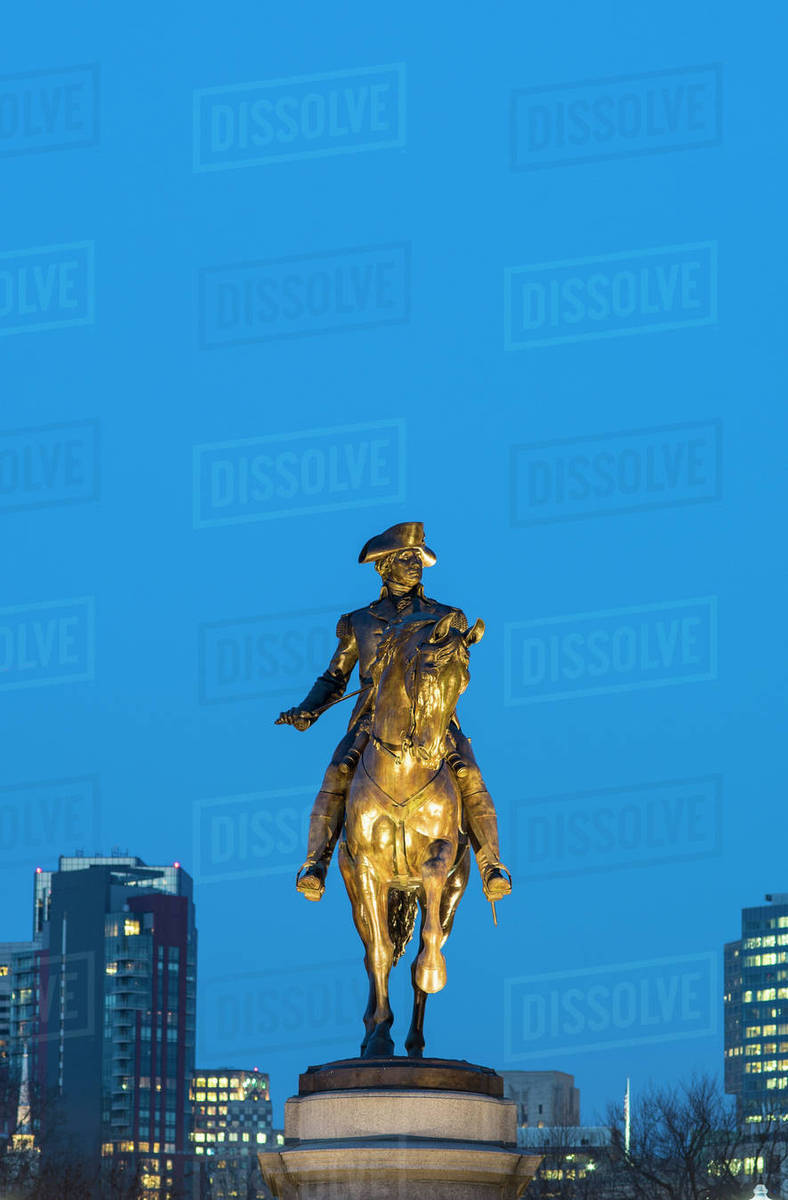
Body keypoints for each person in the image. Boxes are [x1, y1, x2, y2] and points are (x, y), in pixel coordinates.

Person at [275, 522, 512, 904]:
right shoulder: (360, 622)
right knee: (337, 771)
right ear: (383, 567)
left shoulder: (446, 616)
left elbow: (456, 672)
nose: (415, 564)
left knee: (469, 771)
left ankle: (491, 865)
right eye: (405, 558)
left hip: (433, 720)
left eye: (417, 557)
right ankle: (315, 863)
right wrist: (308, 710)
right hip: (372, 720)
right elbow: (334, 677)